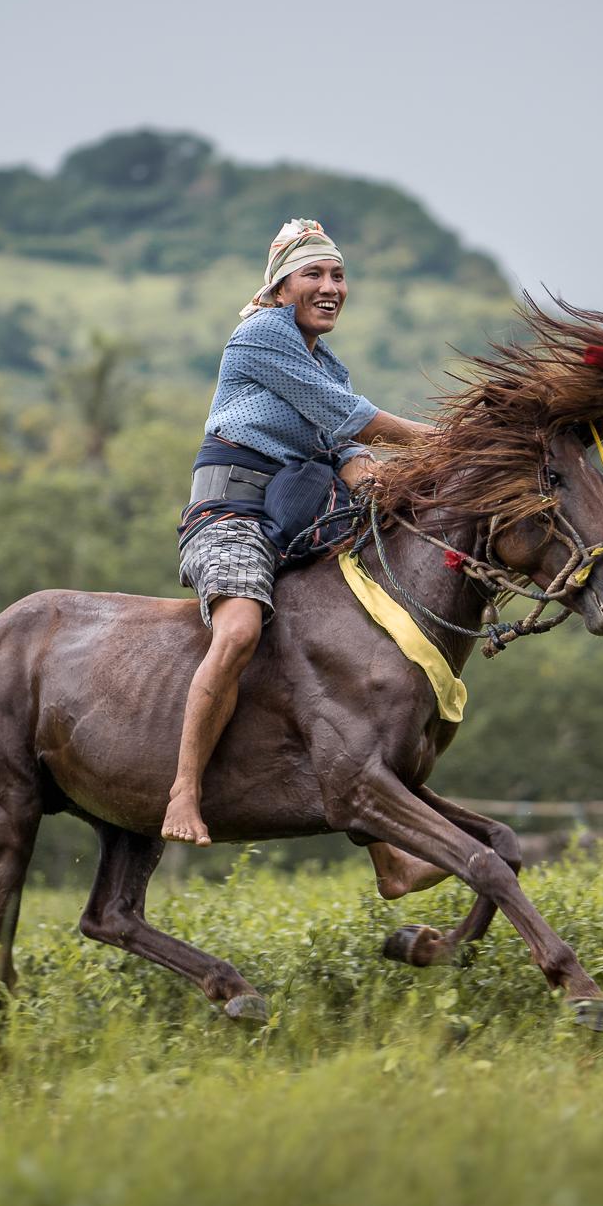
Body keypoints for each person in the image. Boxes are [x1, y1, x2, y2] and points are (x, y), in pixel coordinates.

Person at [166, 218, 434, 848]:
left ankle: (389, 860)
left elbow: (349, 449)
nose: (330, 286)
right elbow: (357, 420)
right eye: (314, 273)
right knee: (239, 631)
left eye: (338, 274)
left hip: (292, 523)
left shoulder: (328, 367)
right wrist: (451, 442)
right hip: (228, 516)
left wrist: (397, 492)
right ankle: (183, 788)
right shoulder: (260, 336)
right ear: (282, 287)